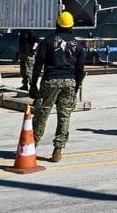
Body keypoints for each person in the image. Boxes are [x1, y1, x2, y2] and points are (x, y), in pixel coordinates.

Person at [30, 11, 86, 163]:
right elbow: (80, 70)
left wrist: (33, 85)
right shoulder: (79, 46)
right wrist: (76, 87)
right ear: (72, 26)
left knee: (42, 114)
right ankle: (58, 150)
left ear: (57, 24)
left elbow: (38, 65)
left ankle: (32, 146)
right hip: (69, 82)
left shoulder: (47, 42)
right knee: (64, 116)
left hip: (50, 81)